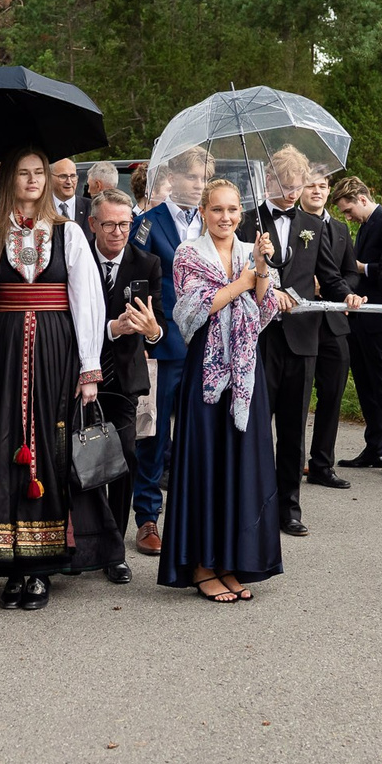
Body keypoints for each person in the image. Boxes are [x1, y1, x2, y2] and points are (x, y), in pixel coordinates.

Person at [0, 147, 115, 609]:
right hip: (3, 348)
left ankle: (39, 567)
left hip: (56, 347)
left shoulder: (68, 232)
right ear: (10, 179)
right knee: (3, 441)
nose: (33, 180)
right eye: (24, 173)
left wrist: (89, 366)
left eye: (40, 173)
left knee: (49, 446)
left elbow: (88, 301)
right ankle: (8, 563)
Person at [159, 178, 285, 601]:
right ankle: (201, 565)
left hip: (247, 371)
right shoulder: (187, 254)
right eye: (217, 210)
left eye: (232, 210)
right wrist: (242, 282)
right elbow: (192, 309)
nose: (225, 217)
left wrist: (262, 270)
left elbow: (266, 309)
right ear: (203, 211)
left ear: (241, 213)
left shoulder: (254, 252)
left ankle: (232, 561)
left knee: (241, 464)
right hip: (206, 373)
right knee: (206, 463)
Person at [251, 148, 359, 534]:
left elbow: (329, 273)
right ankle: (253, 504)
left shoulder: (312, 223)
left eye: (297, 186)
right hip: (259, 337)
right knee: (255, 426)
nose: (293, 193)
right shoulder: (249, 220)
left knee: (295, 427)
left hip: (303, 337)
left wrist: (347, 294)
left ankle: (289, 508)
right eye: (286, 185)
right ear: (268, 181)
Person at [129, 147, 215, 553]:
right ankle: (147, 518)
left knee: (199, 434)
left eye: (204, 179)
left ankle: (194, 518)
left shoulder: (215, 224)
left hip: (208, 344)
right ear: (174, 178)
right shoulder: (147, 224)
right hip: (163, 345)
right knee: (156, 436)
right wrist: (146, 338)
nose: (199, 186)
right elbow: (138, 284)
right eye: (193, 178)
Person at [86, 191, 164, 582]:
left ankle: (114, 550)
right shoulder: (77, 259)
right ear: (93, 225)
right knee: (76, 459)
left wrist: (153, 332)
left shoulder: (147, 262)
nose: (118, 232)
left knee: (123, 458)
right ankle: (78, 540)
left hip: (124, 378)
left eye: (125, 224)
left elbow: (159, 326)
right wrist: (110, 329)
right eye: (110, 225)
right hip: (79, 373)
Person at [333, 176, 382, 474]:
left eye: (348, 210)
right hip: (361, 319)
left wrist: (362, 267)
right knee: (365, 386)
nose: (346, 217)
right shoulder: (364, 227)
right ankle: (374, 447)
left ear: (362, 199)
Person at [298, 168, 362, 493]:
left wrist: (343, 291)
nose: (317, 190)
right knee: (297, 396)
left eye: (323, 186)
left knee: (333, 395)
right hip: (301, 323)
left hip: (334, 322)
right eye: (311, 185)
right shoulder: (292, 227)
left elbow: (351, 272)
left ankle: (322, 464)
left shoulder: (340, 229)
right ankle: (292, 465)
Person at [49, 156, 85, 225]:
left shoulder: (91, 208)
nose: (69, 182)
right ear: (50, 178)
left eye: (72, 176)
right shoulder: (40, 208)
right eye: (63, 176)